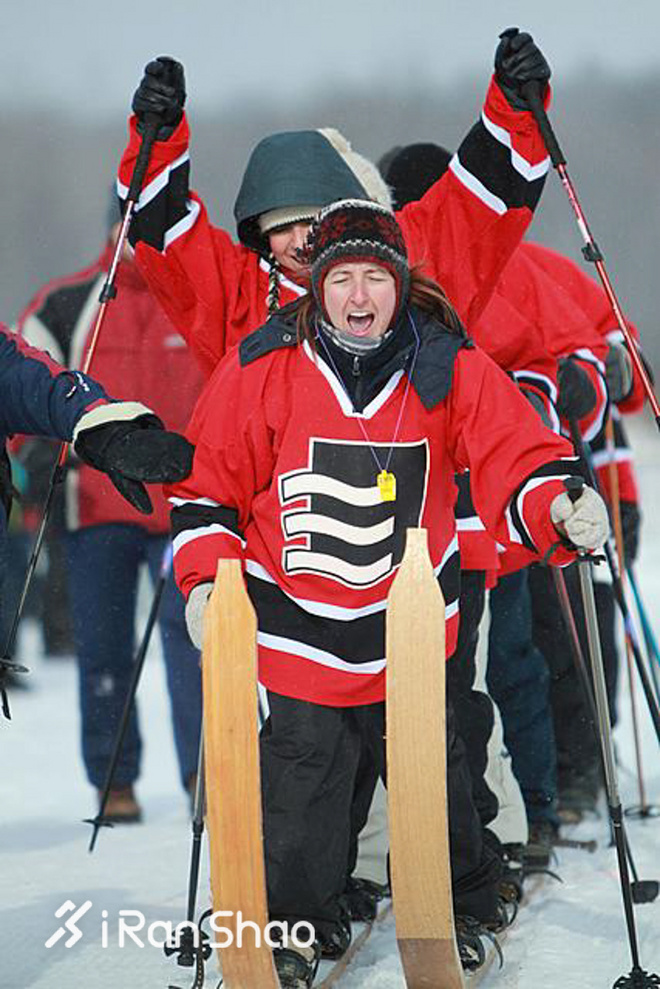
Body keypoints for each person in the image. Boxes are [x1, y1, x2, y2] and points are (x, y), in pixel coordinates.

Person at [167, 199, 609, 987]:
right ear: (315, 284)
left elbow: (514, 450)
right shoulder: (261, 365)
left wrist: (560, 502)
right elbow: (209, 491)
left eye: (377, 276)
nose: (360, 296)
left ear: (401, 284)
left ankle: (462, 903)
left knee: (433, 774)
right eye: (343, 278)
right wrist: (207, 580)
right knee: (304, 782)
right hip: (298, 626)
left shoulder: (444, 362)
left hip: (409, 622)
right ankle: (294, 922)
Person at [118, 28, 554, 381]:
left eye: (311, 222)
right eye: (281, 228)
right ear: (261, 236)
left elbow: (479, 208)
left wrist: (513, 105)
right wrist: (158, 136)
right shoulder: (237, 296)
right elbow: (163, 237)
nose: (299, 241)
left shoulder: (407, 264)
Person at [15, 209, 206, 821]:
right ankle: (113, 779)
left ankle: (206, 773)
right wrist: (36, 453)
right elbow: (25, 376)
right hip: (96, 505)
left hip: (183, 506)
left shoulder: (200, 296)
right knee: (103, 647)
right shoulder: (68, 301)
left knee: (193, 641)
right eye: (133, 222)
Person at [0, 325, 193, 713]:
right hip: (95, 522)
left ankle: (192, 774)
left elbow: (40, 383)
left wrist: (107, 430)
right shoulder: (67, 302)